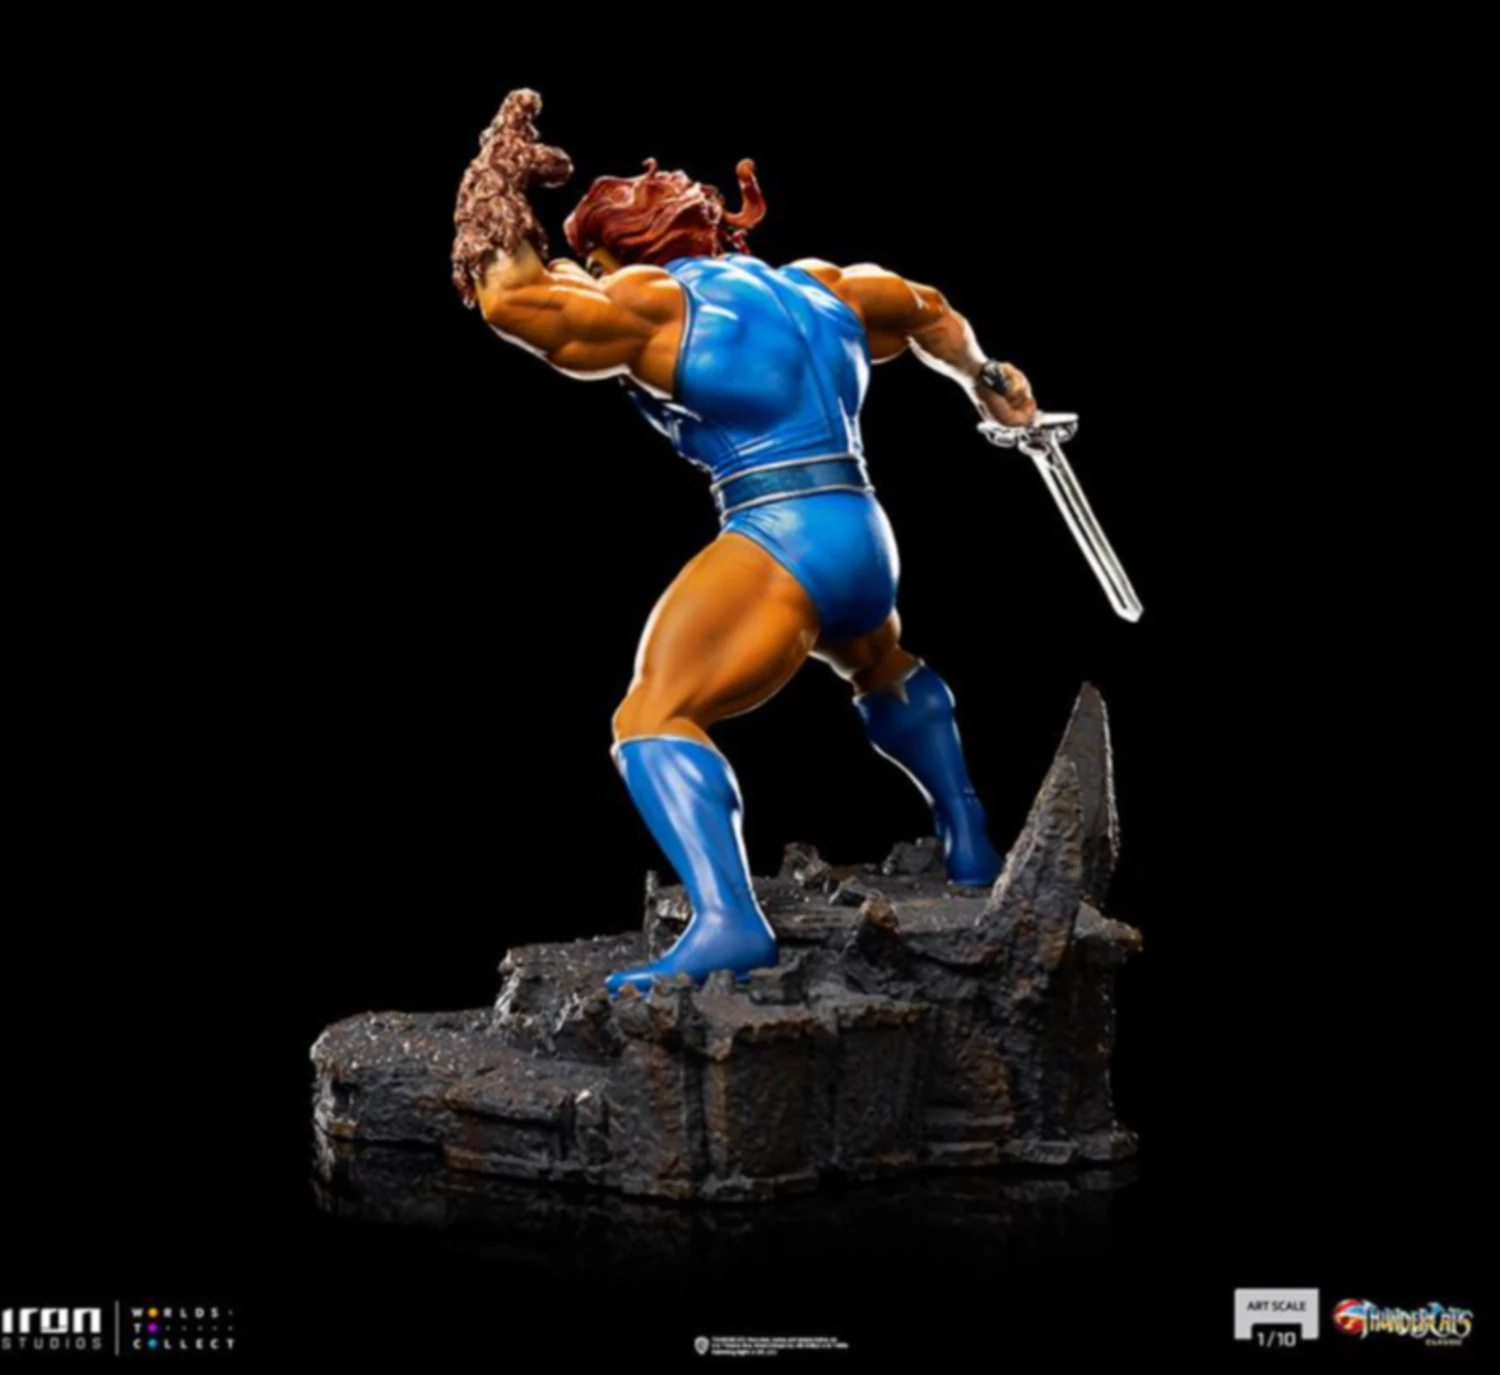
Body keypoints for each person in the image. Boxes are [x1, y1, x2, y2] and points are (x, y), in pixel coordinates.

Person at [452, 90, 1040, 998]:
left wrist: (492, 178)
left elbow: (512, 300)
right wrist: (987, 378)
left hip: (780, 532)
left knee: (651, 715)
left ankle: (729, 921)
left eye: (597, 265)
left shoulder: (653, 302)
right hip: (864, 532)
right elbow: (928, 308)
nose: (593, 278)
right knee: (878, 661)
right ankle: (969, 842)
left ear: (624, 255)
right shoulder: (822, 285)